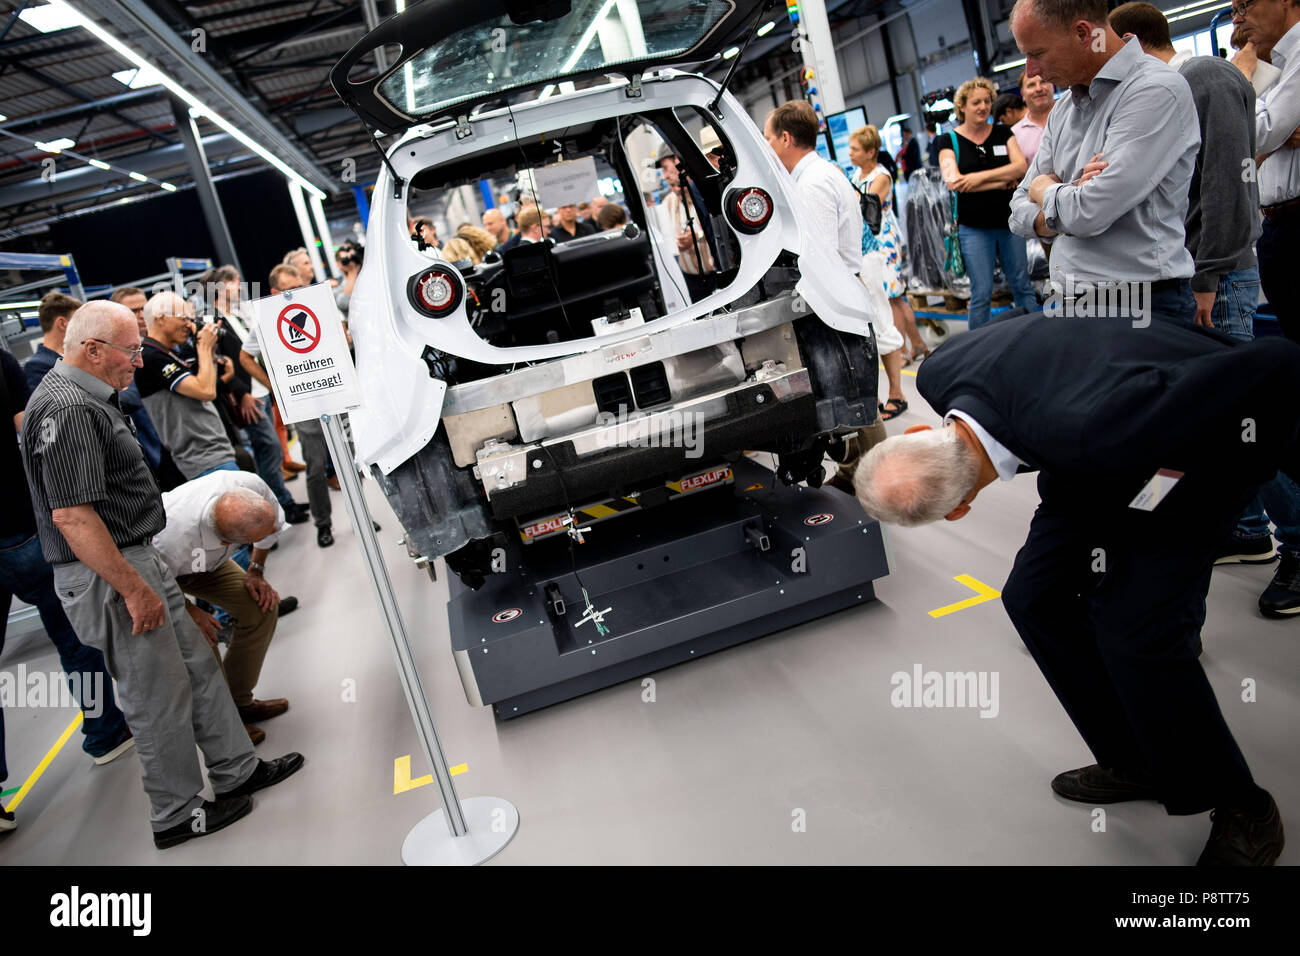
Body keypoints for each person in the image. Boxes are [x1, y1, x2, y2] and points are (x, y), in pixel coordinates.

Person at [853, 311, 1296, 866]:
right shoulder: (939, 369)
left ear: (959, 511)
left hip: (1189, 461)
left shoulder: (1092, 428)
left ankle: (1244, 807)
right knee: (1034, 598)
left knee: (1135, 629)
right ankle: (1137, 760)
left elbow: (1276, 363)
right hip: (1091, 451)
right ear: (919, 433)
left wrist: (1140, 513)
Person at [20, 301, 303, 849]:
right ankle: (175, 812)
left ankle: (235, 771)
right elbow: (73, 516)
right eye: (131, 351)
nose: (138, 360)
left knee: (196, 668)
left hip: (135, 557)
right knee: (156, 696)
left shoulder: (92, 399)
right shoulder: (66, 408)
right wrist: (132, 588)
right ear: (92, 349)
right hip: (109, 571)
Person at [1, 346, 134, 832]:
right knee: (73, 638)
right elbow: (25, 426)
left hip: (19, 528)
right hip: (21, 526)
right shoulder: (2, 359)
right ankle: (104, 733)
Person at [1008, 0, 1200, 327]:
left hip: (1138, 306)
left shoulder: (1154, 90)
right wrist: (1064, 196)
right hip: (1070, 301)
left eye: (1037, 53)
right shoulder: (1065, 109)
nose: (1031, 71)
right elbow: (1016, 210)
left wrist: (1046, 188)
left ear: (1084, 34)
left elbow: (1089, 212)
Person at [763, 99, 908, 483]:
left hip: (834, 297)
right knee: (848, 392)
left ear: (786, 138)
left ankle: (883, 477)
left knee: (856, 396)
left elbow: (819, 251)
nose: (766, 146)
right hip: (839, 292)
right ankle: (853, 470)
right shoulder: (818, 174)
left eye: (768, 138)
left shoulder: (812, 183)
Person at [156, 472, 291, 745]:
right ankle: (225, 724)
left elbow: (270, 528)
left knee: (259, 607)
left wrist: (256, 570)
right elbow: (150, 579)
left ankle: (239, 701)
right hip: (162, 575)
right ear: (228, 544)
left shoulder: (251, 488)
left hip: (205, 561)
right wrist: (188, 611)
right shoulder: (168, 534)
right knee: (201, 638)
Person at [198, 267, 308, 523]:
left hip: (258, 391)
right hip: (246, 397)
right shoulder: (210, 321)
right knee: (268, 449)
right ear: (219, 288)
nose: (239, 286)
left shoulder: (234, 315)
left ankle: (282, 504)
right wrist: (241, 393)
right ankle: (278, 509)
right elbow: (220, 362)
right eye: (233, 282)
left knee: (269, 449)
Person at [239, 265, 335, 548]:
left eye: (301, 289)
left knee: (352, 460)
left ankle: (362, 514)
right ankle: (323, 523)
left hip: (333, 391)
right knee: (315, 465)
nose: (297, 295)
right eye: (290, 291)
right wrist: (275, 387)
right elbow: (245, 357)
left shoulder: (318, 308)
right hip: (305, 401)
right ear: (274, 293)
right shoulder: (267, 322)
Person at [938, 77, 1037, 330]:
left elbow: (1020, 167)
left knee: (1022, 285)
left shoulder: (1003, 132)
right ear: (962, 107)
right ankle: (977, 348)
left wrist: (976, 179)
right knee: (981, 292)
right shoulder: (948, 141)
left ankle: (1037, 334)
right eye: (975, 103)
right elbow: (954, 181)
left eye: (986, 101)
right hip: (973, 228)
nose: (982, 107)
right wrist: (999, 180)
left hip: (1009, 223)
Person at [1232, 0, 1300, 342]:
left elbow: (1261, 128)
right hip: (1276, 225)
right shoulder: (1278, 61)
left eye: (1245, 3)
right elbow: (1258, 141)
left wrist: (1241, 79)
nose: (1239, 17)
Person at [848, 124, 930, 375]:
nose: (850, 153)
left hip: (884, 240)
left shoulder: (881, 176)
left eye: (855, 149)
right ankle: (918, 344)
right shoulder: (857, 175)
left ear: (871, 151)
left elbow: (867, 205)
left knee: (892, 296)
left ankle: (903, 348)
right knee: (893, 296)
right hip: (869, 239)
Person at [136, 292, 240, 481]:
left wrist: (210, 352)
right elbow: (206, 391)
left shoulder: (165, 353)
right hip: (203, 459)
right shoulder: (151, 357)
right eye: (184, 318)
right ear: (161, 319)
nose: (189, 325)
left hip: (211, 455)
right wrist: (204, 348)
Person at [654, 143, 718, 301]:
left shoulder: (702, 195)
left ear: (679, 163)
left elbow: (716, 229)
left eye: (666, 168)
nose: (665, 176)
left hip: (715, 275)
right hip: (691, 279)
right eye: (662, 170)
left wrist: (697, 237)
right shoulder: (668, 202)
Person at [23, 292, 80, 391]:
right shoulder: (38, 366)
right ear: (62, 324)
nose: (82, 327)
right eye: (78, 321)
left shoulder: (74, 357)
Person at [1012, 70, 1056, 168]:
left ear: (1052, 86)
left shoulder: (1073, 113)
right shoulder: (1014, 134)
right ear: (1023, 94)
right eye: (1031, 85)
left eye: (1043, 82)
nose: (1039, 88)